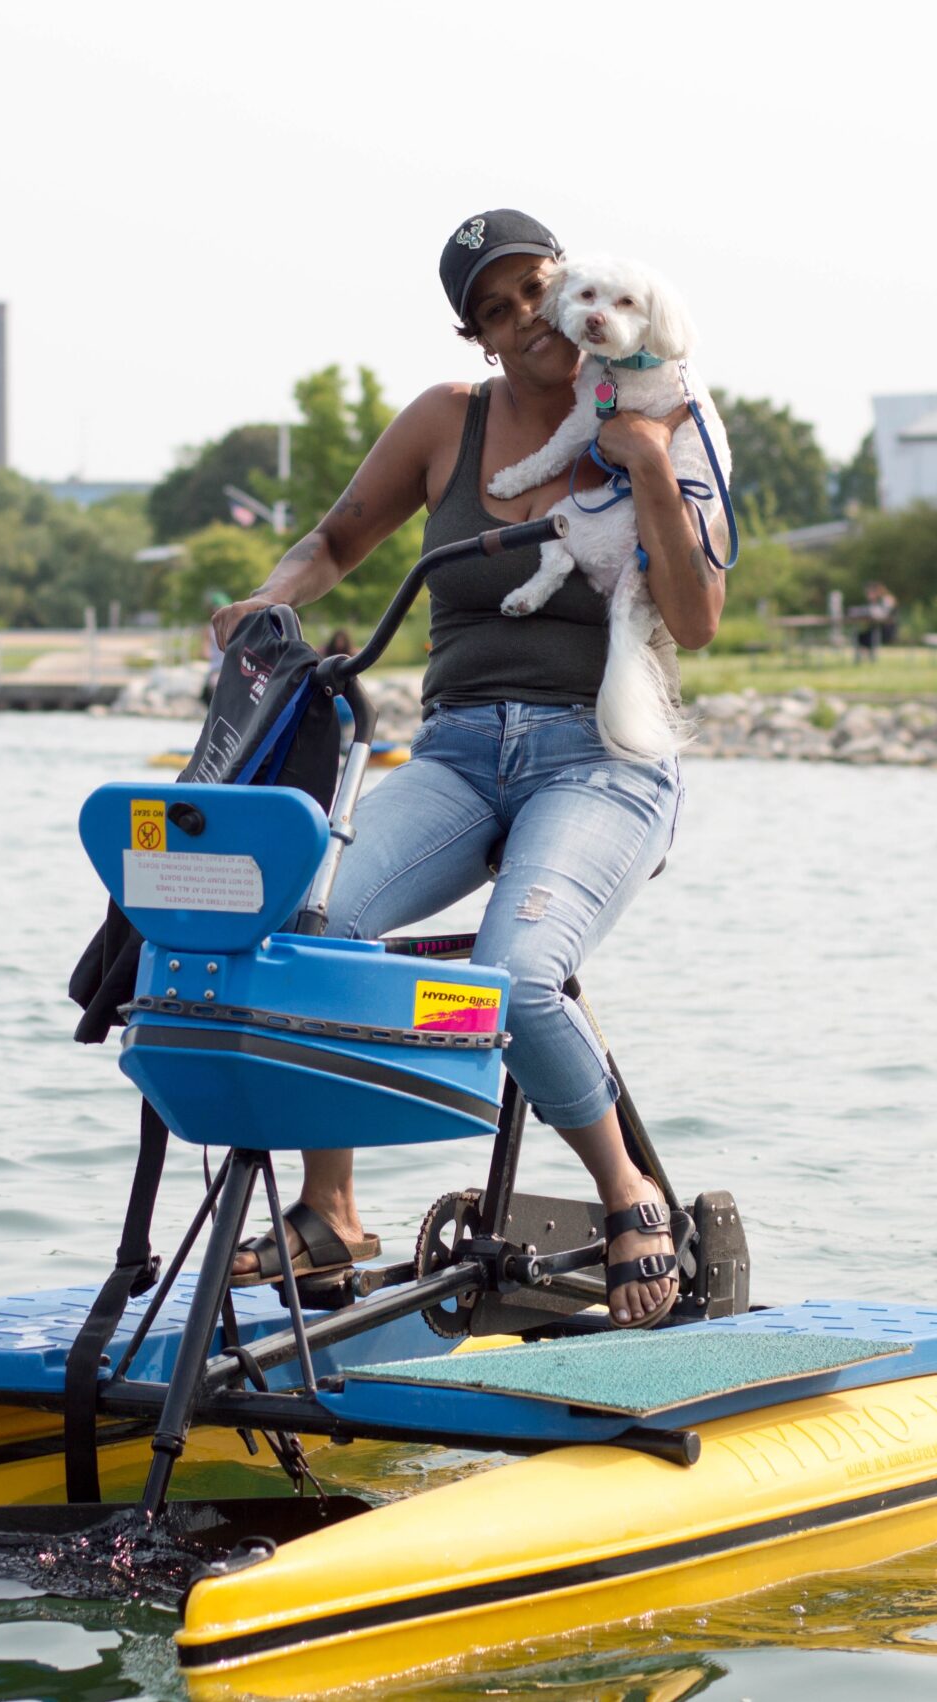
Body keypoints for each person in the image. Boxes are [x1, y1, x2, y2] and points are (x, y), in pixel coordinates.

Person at [208, 210, 725, 1327]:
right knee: (310, 926)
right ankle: (330, 1215)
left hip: (600, 760)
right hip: (456, 753)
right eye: (494, 311)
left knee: (515, 975)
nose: (526, 318)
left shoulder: (660, 409)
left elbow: (696, 620)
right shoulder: (449, 419)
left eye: (536, 288)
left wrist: (645, 463)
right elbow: (335, 541)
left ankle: (626, 1193)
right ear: (477, 337)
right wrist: (267, 599)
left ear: (574, 285)